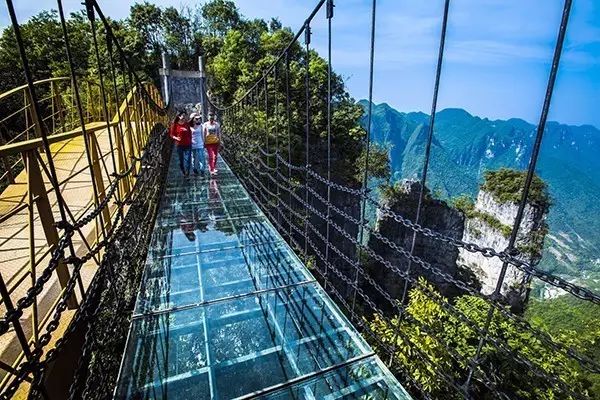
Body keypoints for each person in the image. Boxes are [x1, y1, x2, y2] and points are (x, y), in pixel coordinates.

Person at [169, 110, 192, 176]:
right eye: (183, 116)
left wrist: (190, 140)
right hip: (180, 145)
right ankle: (183, 171)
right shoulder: (175, 125)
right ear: (179, 116)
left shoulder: (187, 124)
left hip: (188, 145)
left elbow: (190, 133)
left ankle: (187, 173)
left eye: (185, 116)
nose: (184, 117)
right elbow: (171, 134)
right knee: (181, 161)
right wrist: (176, 138)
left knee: (188, 160)